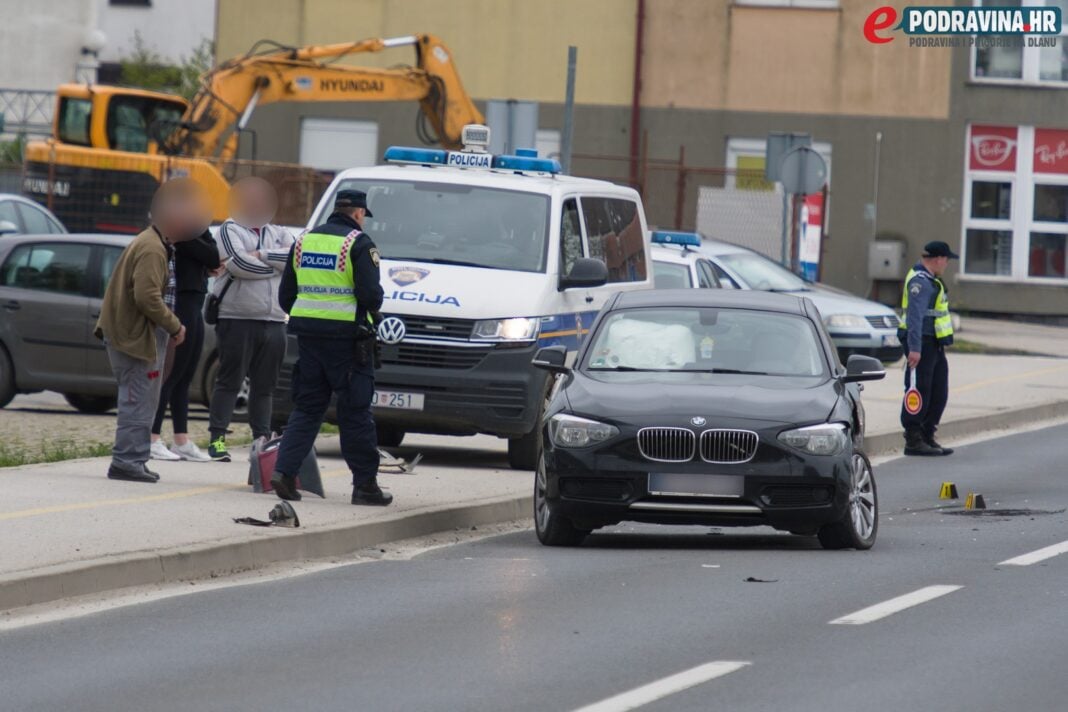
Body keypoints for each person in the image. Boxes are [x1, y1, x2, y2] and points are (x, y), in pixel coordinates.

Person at [271, 189, 391, 506]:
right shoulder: (359, 244)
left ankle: (284, 473)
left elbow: (286, 297)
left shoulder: (304, 242)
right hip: (348, 343)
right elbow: (371, 296)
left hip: (308, 340)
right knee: (355, 413)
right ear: (358, 213)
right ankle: (365, 486)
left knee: (307, 409)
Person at [94, 179, 209, 482]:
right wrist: (175, 325)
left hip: (138, 335)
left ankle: (134, 458)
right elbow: (146, 297)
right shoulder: (152, 249)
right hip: (134, 338)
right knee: (137, 399)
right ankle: (126, 462)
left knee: (144, 399)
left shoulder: (157, 244)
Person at [207, 177, 294, 462]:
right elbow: (240, 264)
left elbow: (296, 259)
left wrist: (263, 255)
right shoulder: (229, 229)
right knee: (229, 380)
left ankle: (261, 442)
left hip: (274, 320)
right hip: (237, 317)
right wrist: (274, 267)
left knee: (265, 386)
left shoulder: (278, 232)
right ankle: (217, 439)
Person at [150, 228, 221, 462]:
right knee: (170, 374)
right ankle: (152, 438)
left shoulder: (197, 229)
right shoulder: (177, 228)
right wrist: (206, 258)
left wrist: (207, 258)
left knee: (185, 376)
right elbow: (211, 256)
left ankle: (181, 440)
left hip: (196, 300)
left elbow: (213, 254)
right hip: (180, 301)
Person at [899, 240, 957, 457]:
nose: (947, 264)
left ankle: (927, 434)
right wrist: (914, 348)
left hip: (934, 342)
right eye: (947, 260)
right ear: (938, 259)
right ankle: (913, 438)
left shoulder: (932, 280)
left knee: (939, 390)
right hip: (921, 342)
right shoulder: (920, 282)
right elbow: (914, 317)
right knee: (919, 388)